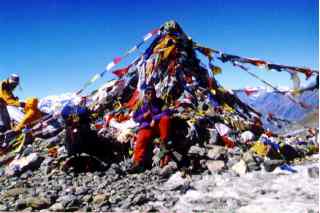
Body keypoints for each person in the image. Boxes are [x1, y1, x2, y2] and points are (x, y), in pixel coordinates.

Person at [128, 85, 171, 173]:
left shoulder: (160, 102)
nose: (150, 95)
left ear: (155, 94)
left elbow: (167, 112)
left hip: (157, 126)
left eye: (152, 93)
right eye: (148, 93)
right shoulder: (141, 104)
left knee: (165, 119)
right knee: (141, 138)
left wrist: (155, 118)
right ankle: (137, 163)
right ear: (145, 95)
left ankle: (164, 143)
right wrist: (144, 116)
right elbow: (135, 118)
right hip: (146, 126)